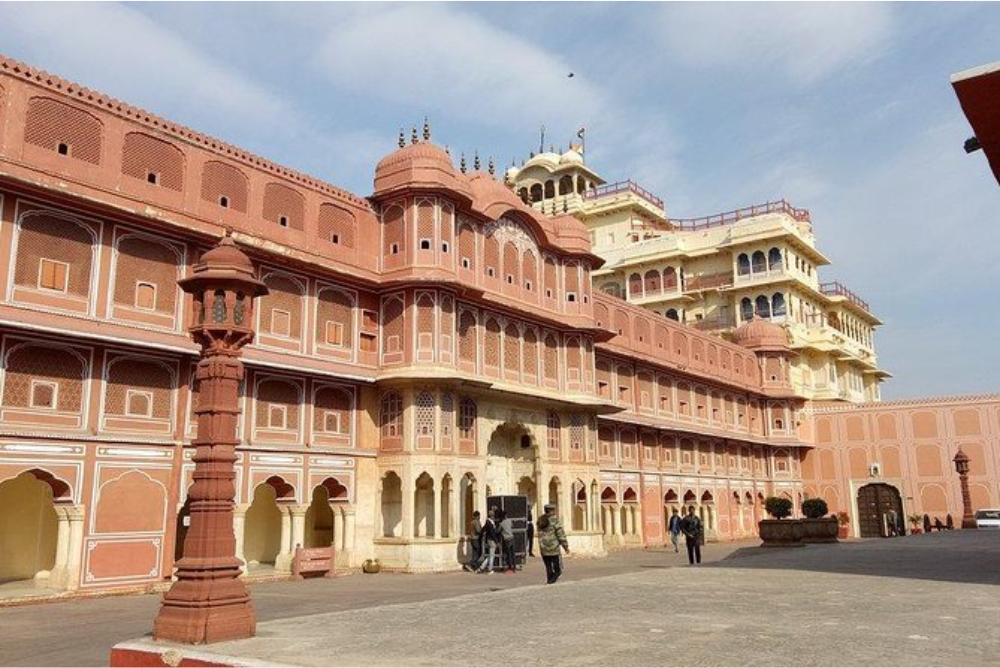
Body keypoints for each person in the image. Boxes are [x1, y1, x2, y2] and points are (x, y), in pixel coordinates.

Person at [537, 503, 570, 584]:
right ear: (552, 510)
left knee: (548, 567)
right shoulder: (554, 520)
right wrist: (565, 547)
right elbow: (560, 534)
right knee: (558, 570)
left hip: (543, 547)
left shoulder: (540, 520)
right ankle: (551, 581)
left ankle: (549, 581)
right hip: (553, 547)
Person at [476, 509, 500, 574]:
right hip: (491, 540)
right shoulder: (490, 523)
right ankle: (490, 569)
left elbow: (483, 529)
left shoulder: (489, 522)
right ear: (492, 516)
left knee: (490, 555)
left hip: (490, 540)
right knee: (492, 556)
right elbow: (492, 533)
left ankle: (481, 568)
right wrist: (496, 541)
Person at [497, 509, 516, 574]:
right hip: (512, 538)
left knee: (509, 554)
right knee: (513, 553)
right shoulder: (509, 520)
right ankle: (514, 567)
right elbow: (512, 526)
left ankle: (510, 567)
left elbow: (498, 531)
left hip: (507, 540)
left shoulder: (501, 524)